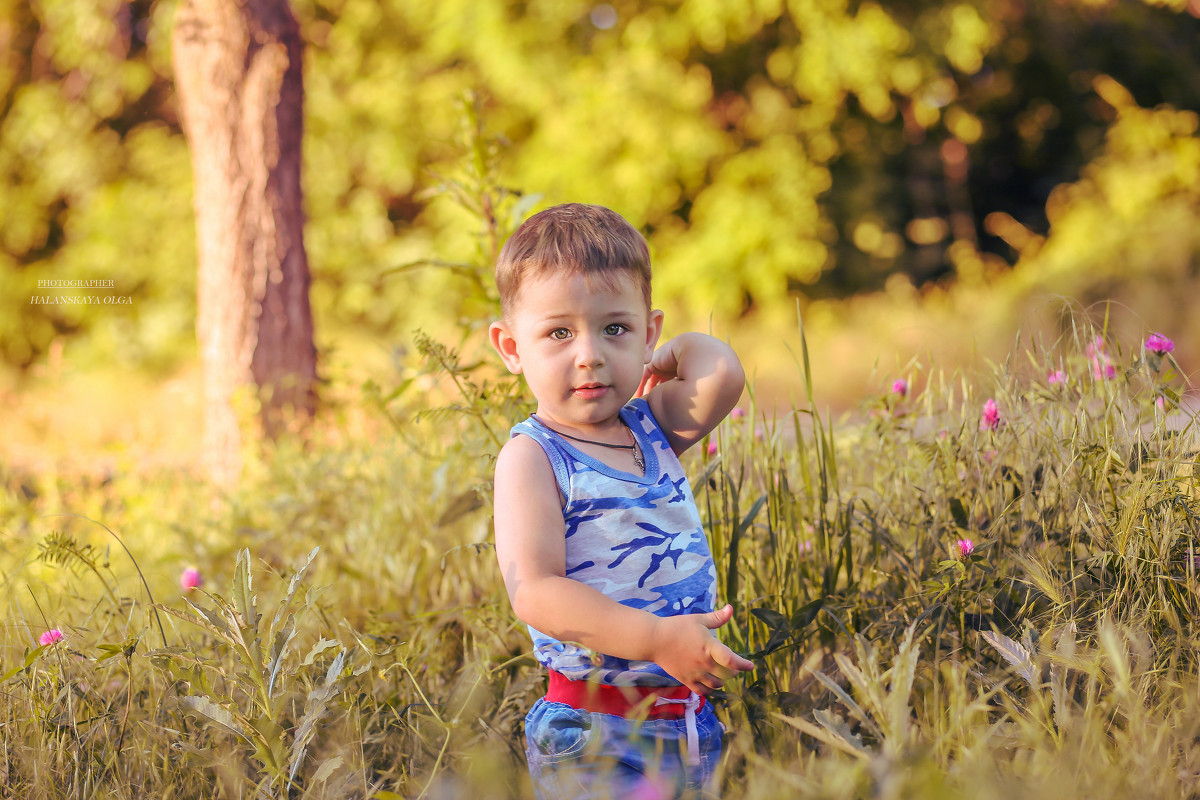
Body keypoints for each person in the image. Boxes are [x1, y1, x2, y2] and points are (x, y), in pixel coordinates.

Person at [488, 203, 755, 799]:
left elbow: (723, 374)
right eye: (559, 332)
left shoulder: (649, 428)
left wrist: (662, 357)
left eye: (615, 329)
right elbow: (533, 589)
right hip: (595, 726)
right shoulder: (534, 458)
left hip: (685, 720)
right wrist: (657, 640)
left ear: (648, 332)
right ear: (510, 346)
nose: (590, 354)